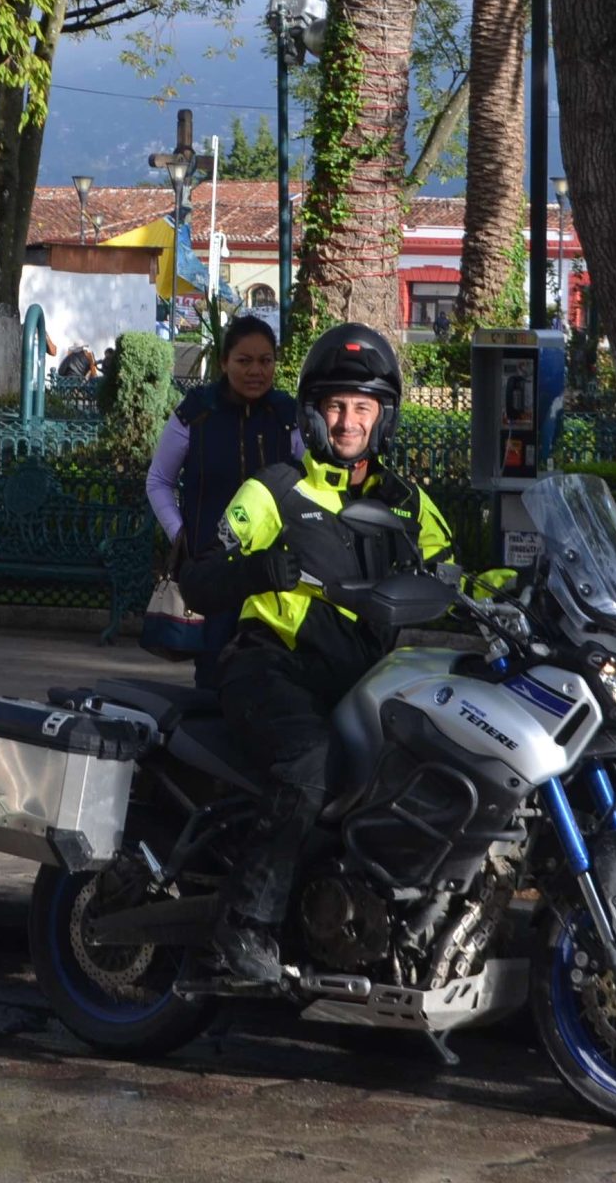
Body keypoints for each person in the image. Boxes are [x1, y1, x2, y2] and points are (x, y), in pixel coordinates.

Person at [180, 323, 455, 987]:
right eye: (337, 405)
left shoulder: (409, 505)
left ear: (384, 416)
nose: (350, 420)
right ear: (314, 412)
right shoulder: (273, 490)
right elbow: (199, 578)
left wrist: (518, 592)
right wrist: (258, 570)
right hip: (270, 668)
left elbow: (456, 577)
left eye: (363, 407)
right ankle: (244, 925)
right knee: (308, 765)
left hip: (365, 682)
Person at [146, 315, 300, 686]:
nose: (256, 371)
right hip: (213, 571)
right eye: (244, 361)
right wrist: (182, 535)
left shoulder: (286, 416)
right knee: (215, 676)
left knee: (268, 676)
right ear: (224, 362)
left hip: (270, 573)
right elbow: (159, 481)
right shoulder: (195, 413)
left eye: (265, 361)